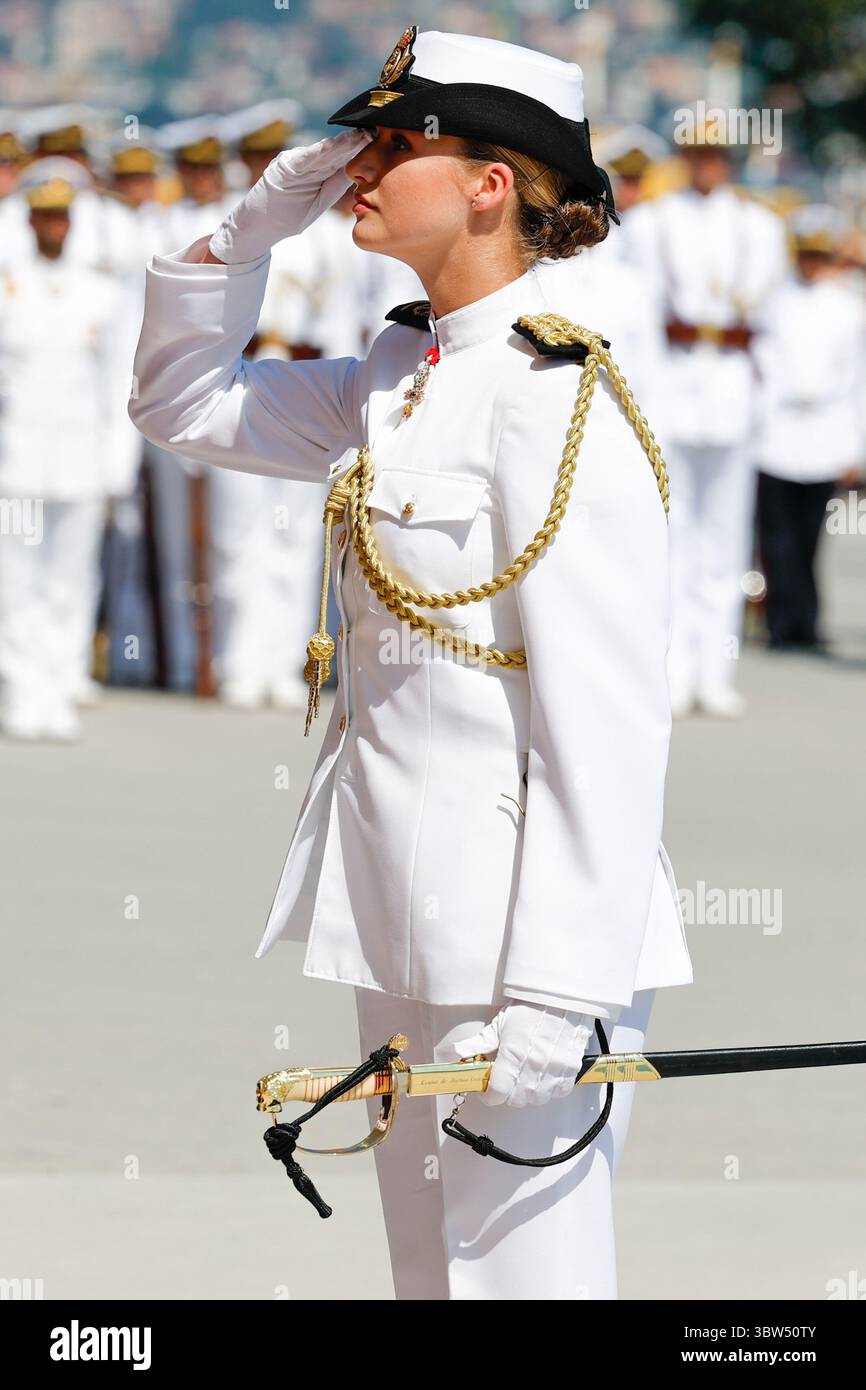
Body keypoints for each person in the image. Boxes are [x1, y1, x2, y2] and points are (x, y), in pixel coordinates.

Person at [130, 26, 693, 1300]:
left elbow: (604, 723)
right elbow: (179, 404)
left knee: (523, 1283)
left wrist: (558, 989)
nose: (357, 166)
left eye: (398, 141)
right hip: (398, 909)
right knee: (430, 1281)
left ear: (492, 183)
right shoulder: (403, 371)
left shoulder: (560, 397)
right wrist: (245, 236)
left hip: (520, 939)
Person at [624, 117, 789, 717]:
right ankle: (671, 668)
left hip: (733, 388)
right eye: (698, 153)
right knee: (670, 534)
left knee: (725, 538)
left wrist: (768, 399)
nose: (708, 163)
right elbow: (636, 319)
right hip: (671, 379)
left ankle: (716, 670)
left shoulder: (761, 226)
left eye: (717, 154)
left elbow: (777, 324)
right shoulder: (649, 224)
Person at [0, 173, 123, 739]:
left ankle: (61, 681)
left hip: (79, 459)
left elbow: (116, 383)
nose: (54, 226)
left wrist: (116, 462)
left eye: (62, 217)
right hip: (16, 461)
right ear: (29, 222)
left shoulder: (99, 292)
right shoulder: (7, 286)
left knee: (71, 579)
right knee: (16, 578)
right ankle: (23, 687)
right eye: (44, 217)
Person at [753, 205, 866, 651]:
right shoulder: (774, 300)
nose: (812, 264)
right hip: (777, 429)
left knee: (811, 536)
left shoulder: (850, 307)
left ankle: (808, 620)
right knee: (775, 534)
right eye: (807, 254)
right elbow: (760, 365)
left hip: (826, 428)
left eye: (821, 255)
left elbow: (858, 380)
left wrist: (854, 448)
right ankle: (780, 621)